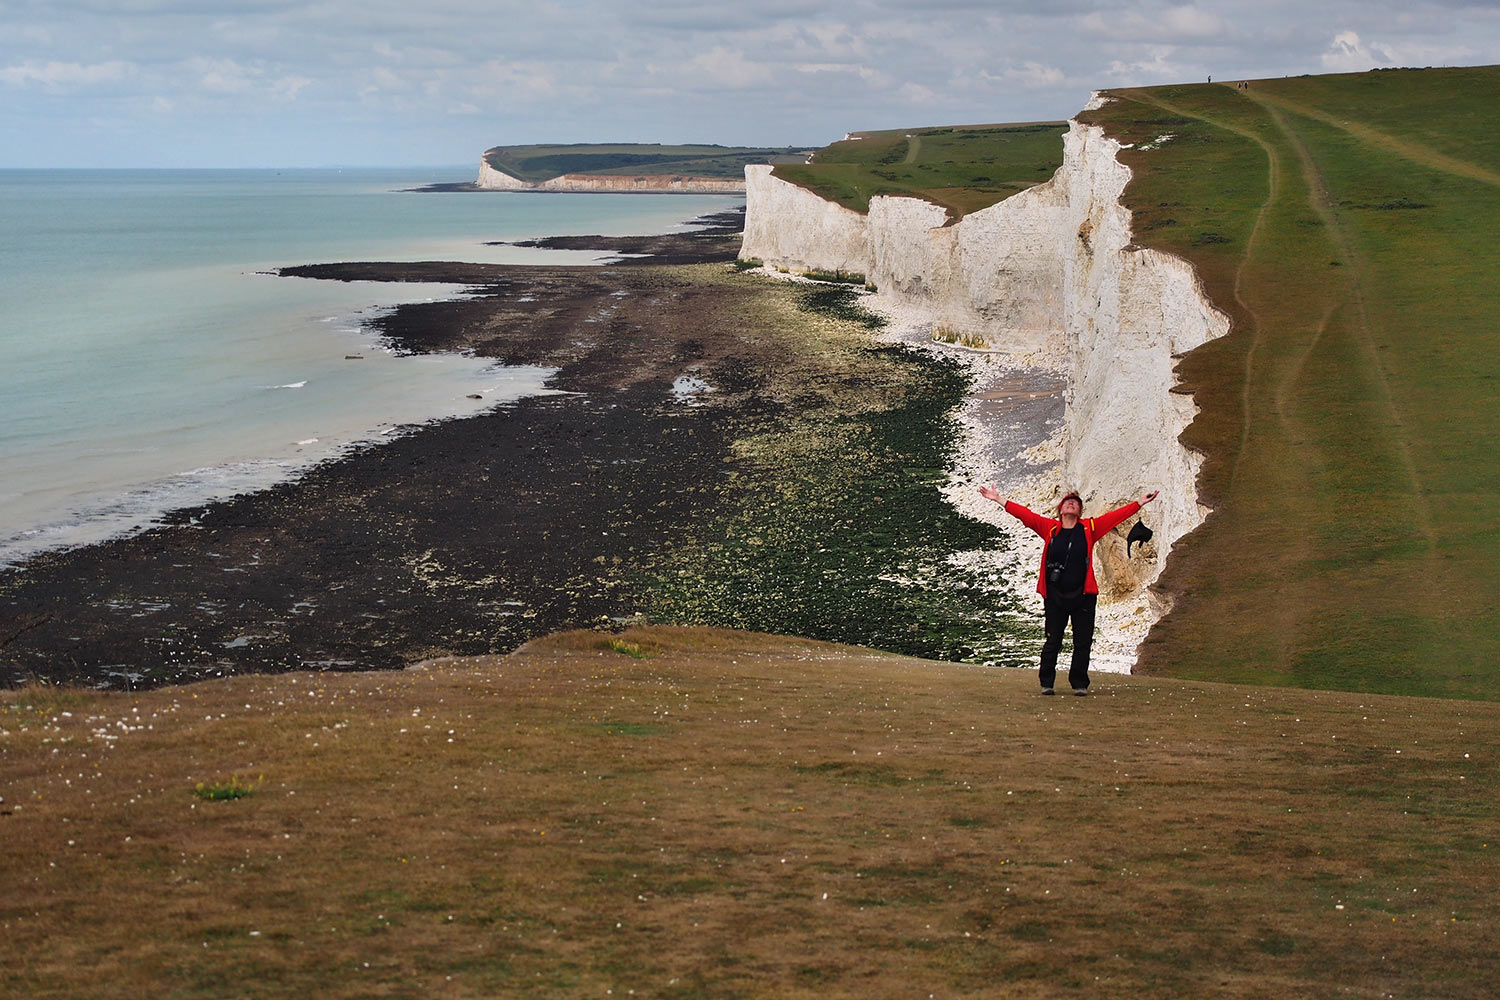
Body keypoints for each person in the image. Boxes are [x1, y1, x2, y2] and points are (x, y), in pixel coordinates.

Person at [978, 486, 1159, 695]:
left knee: (1082, 641)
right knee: (1053, 640)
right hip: (1055, 596)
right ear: (1060, 510)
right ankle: (1047, 682)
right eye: (1067, 502)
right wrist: (999, 499)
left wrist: (1139, 503)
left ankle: (1079, 684)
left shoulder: (1089, 528)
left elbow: (1114, 518)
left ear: (1080, 511)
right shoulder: (1050, 528)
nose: (1071, 504)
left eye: (1075, 503)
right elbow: (1025, 516)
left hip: (1084, 595)